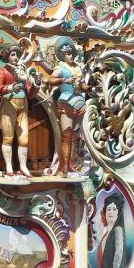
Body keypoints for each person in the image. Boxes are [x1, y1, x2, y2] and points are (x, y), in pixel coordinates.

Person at [0, 45, 42, 177]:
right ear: (7, 56)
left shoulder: (23, 72)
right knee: (8, 138)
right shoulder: (3, 71)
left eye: (17, 55)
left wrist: (36, 83)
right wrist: (10, 88)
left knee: (24, 139)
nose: (16, 57)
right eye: (13, 54)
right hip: (9, 104)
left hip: (23, 106)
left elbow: (30, 94)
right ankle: (9, 167)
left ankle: (23, 167)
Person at [48, 38, 88, 177]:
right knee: (67, 135)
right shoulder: (60, 68)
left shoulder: (77, 67)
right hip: (66, 101)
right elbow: (51, 80)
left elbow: (82, 85)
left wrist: (90, 87)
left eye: (72, 53)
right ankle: (64, 166)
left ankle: (71, 163)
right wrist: (63, 80)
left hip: (79, 101)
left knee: (75, 136)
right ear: (63, 55)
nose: (71, 55)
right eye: (68, 53)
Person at [97, 193, 128, 268]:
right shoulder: (107, 232)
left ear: (118, 212)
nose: (111, 212)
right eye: (109, 209)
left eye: (114, 209)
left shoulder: (118, 230)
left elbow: (119, 252)